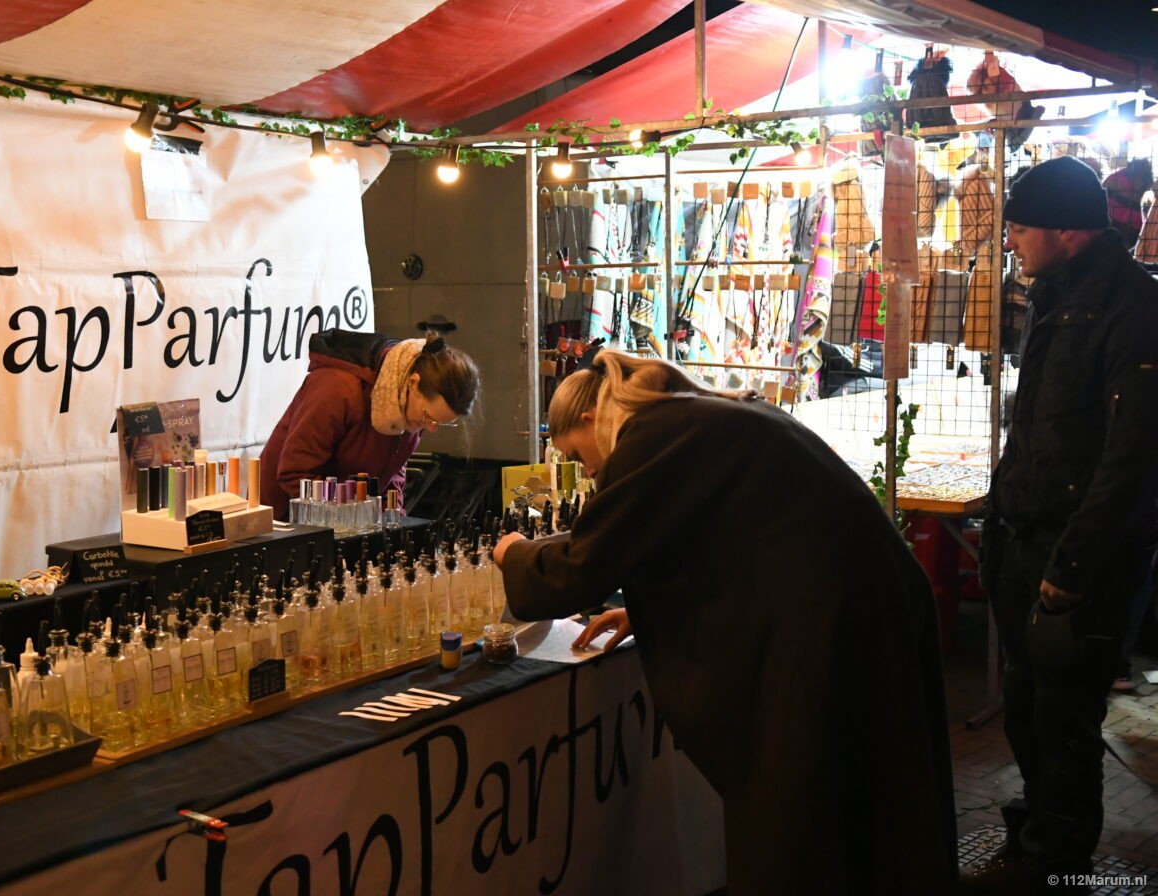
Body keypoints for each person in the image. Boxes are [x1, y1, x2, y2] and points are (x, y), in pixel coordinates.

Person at [494, 350, 957, 895]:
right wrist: (647, 608)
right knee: (872, 799)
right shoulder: (690, 416)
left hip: (830, 625)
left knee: (800, 815)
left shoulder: (649, 437)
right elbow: (724, 539)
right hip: (866, 603)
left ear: (593, 419)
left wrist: (514, 553)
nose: (590, 472)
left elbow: (579, 570)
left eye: (579, 456)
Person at [968, 156, 1158, 893]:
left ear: (1067, 232)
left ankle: (1059, 869)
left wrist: (1071, 570)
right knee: (1026, 711)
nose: (1009, 240)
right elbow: (1040, 430)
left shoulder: (1134, 309)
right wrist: (1002, 517)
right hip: (1025, 540)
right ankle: (1033, 839)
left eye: (1020, 227)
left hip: (1078, 561)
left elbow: (1131, 460)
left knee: (1065, 726)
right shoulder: (1052, 294)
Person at [259, 327, 480, 521]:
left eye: (440, 423)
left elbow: (393, 470)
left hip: (346, 519)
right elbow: (295, 472)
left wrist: (393, 519)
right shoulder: (337, 387)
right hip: (284, 518)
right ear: (413, 382)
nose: (430, 427)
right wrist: (356, 513)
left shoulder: (412, 405)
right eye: (428, 417)